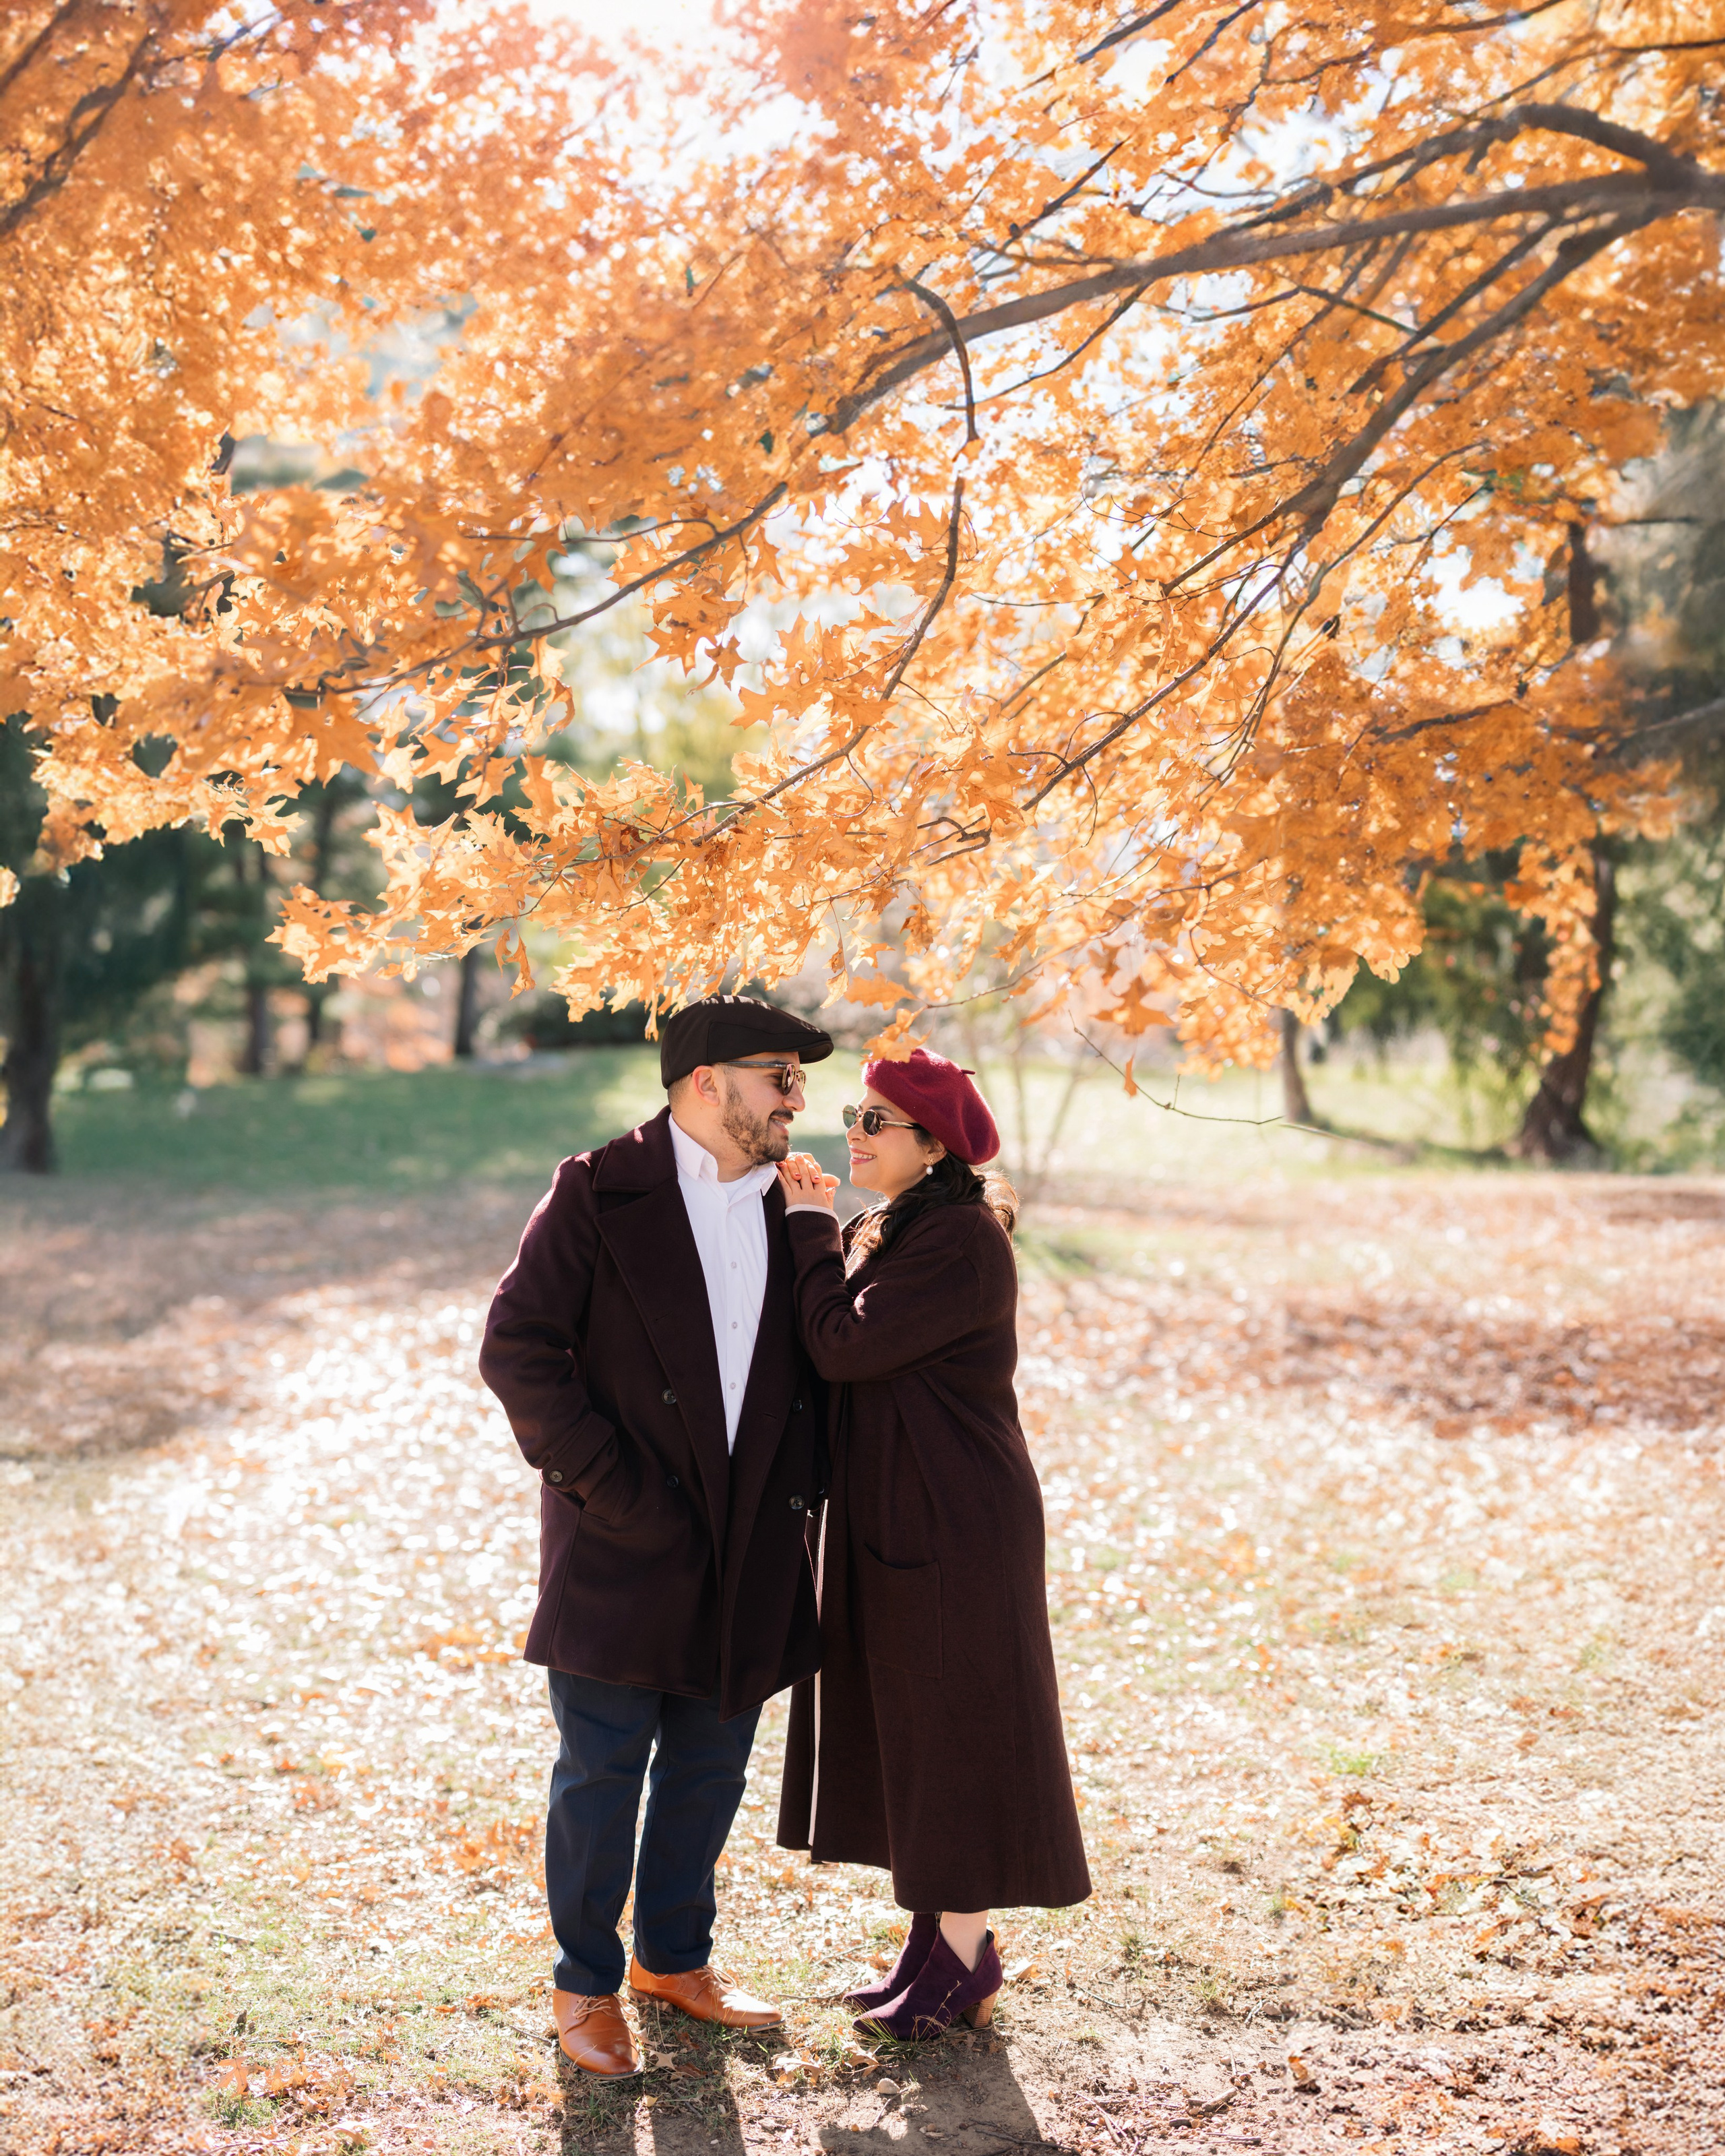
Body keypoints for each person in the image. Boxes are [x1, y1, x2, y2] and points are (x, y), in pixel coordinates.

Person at [479, 994, 834, 2078]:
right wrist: (611, 1489)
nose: (798, 1096)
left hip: (752, 1543)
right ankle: (584, 1986)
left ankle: (674, 1958)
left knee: (709, 1766)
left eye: (798, 1078)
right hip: (622, 1538)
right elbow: (518, 1349)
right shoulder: (597, 1190)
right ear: (704, 1083)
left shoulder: (796, 1204)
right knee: (601, 1772)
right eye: (779, 1075)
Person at [774, 1046, 1090, 2042]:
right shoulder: (900, 1225)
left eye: (876, 1123)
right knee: (911, 1724)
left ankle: (964, 1957)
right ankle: (937, 1947)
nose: (854, 1134)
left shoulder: (956, 1238)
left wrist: (807, 1232)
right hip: (905, 1509)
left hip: (955, 1521)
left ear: (933, 1146)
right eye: (855, 1115)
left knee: (951, 1727)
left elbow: (844, 1346)